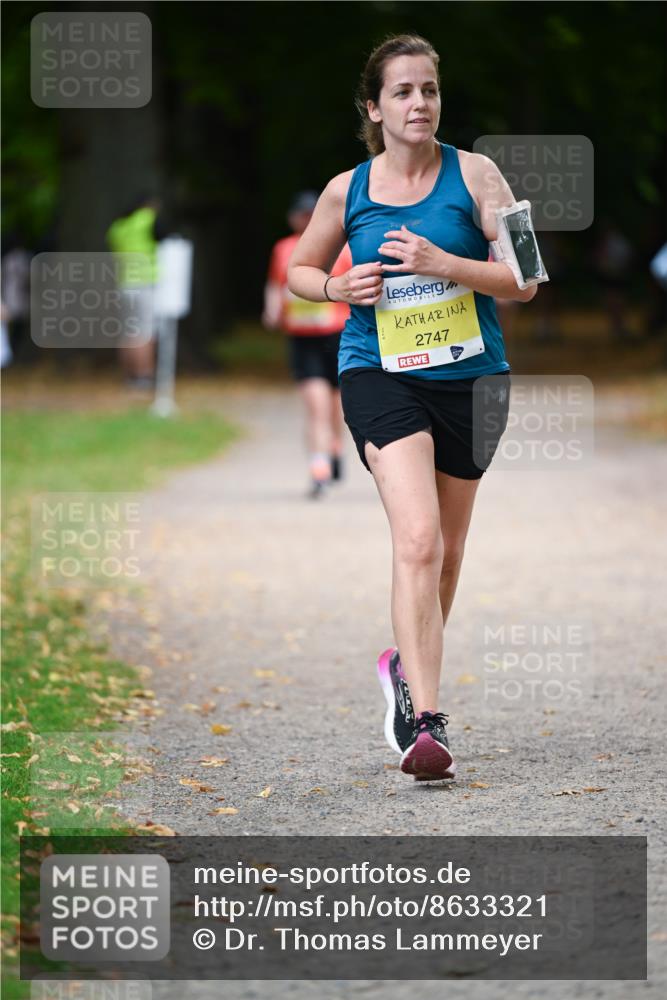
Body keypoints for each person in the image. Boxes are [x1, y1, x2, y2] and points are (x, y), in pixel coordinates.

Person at [288, 34, 538, 780]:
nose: (418, 103)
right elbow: (302, 269)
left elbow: (526, 276)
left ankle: (402, 666)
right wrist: (335, 288)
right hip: (379, 373)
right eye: (401, 91)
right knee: (419, 540)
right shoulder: (347, 190)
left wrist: (446, 264)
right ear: (373, 106)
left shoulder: (478, 174)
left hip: (473, 380)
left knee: (448, 554)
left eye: (427, 90)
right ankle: (424, 722)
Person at [263, 192, 352, 497]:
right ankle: (319, 468)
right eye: (300, 214)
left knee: (336, 407)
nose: (304, 219)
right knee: (316, 405)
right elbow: (277, 284)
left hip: (337, 335)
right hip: (302, 337)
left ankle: (335, 447)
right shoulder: (284, 248)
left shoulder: (343, 248)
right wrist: (272, 309)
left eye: (310, 213)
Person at [106, 195, 165, 389]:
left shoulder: (118, 228)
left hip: (124, 284)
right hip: (145, 282)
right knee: (145, 331)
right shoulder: (148, 218)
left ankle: (129, 375)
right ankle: (144, 376)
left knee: (128, 331)